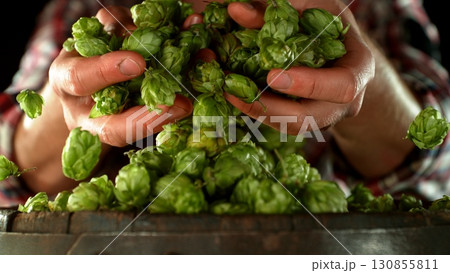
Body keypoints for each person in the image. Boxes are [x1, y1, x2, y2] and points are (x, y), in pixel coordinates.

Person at [0, 0, 448, 207]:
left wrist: (361, 86)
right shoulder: (83, 10)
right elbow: (9, 177)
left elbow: (436, 172)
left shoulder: (368, 7)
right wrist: (76, 103)